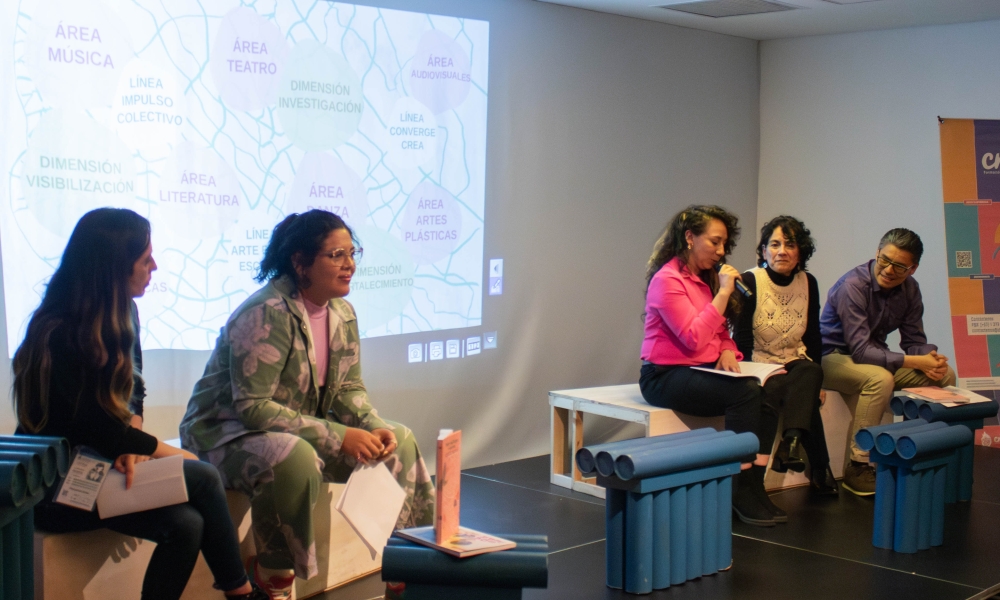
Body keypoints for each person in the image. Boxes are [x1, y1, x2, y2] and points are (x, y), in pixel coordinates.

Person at [179, 210, 434, 600]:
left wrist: (369, 423)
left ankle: (405, 571)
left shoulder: (343, 313)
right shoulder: (266, 312)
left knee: (399, 439)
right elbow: (253, 407)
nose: (349, 265)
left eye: (353, 253)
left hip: (291, 426)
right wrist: (337, 435)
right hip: (224, 433)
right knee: (292, 456)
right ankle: (273, 579)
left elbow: (348, 388)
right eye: (336, 255)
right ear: (300, 262)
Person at [13, 208, 265, 600]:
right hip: (55, 486)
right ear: (114, 265)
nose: (155, 266)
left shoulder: (123, 313)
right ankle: (241, 593)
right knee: (202, 475)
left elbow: (135, 391)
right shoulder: (56, 332)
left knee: (185, 525)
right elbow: (93, 427)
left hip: (103, 470)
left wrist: (134, 439)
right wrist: (151, 449)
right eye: (146, 258)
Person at [639, 205, 774, 526]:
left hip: (700, 368)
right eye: (714, 242)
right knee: (744, 393)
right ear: (689, 237)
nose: (721, 251)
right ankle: (736, 486)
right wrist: (725, 293)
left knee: (772, 388)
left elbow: (717, 331)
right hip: (663, 376)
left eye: (724, 244)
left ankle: (755, 481)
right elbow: (693, 338)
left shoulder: (705, 279)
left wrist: (728, 348)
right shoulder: (667, 280)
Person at [820, 228, 956, 496]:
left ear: (913, 268)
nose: (889, 270)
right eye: (885, 260)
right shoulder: (853, 286)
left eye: (899, 266)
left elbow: (914, 339)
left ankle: (924, 451)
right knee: (881, 379)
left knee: (945, 375)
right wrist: (915, 361)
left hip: (873, 357)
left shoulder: (910, 289)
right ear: (877, 253)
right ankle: (857, 465)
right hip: (832, 358)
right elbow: (860, 351)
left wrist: (930, 357)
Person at [733, 216, 838, 503]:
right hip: (759, 361)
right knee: (784, 390)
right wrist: (749, 375)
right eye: (774, 244)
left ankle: (788, 446)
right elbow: (740, 337)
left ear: (800, 251)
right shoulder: (749, 280)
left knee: (812, 371)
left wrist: (819, 386)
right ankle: (816, 465)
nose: (782, 251)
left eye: (789, 245)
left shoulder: (808, 282)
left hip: (793, 358)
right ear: (764, 250)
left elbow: (814, 335)